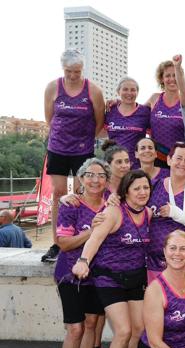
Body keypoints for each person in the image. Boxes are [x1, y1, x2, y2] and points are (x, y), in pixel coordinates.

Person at [71, 170, 152, 348]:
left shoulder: (148, 213)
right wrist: (84, 261)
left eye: (146, 188)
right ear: (126, 191)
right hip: (109, 280)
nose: (142, 192)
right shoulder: (114, 212)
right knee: (124, 331)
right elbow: (94, 239)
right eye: (136, 188)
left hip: (136, 279)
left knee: (138, 330)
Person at [54, 158, 111, 348]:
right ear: (80, 178)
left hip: (98, 275)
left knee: (90, 324)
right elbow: (63, 243)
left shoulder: (111, 204)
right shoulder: (71, 205)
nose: (95, 180)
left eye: (100, 175)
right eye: (89, 175)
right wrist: (91, 232)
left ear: (106, 180)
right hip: (70, 274)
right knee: (75, 329)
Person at [42, 49, 105, 263]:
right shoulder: (53, 87)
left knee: (81, 193)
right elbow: (49, 119)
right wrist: (63, 137)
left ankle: (79, 240)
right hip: (58, 148)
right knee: (59, 193)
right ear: (63, 69)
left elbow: (99, 121)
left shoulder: (93, 90)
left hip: (82, 149)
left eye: (76, 71)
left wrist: (82, 139)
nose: (72, 75)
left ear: (82, 70)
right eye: (69, 71)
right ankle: (57, 242)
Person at [146, 142, 185, 282]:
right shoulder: (152, 186)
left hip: (183, 264)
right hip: (152, 263)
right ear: (169, 160)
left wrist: (180, 216)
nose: (182, 163)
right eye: (178, 158)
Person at [104, 77, 150, 167]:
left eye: (133, 90)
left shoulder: (145, 112)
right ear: (118, 91)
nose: (129, 93)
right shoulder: (110, 110)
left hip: (136, 165)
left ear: (137, 92)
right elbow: (99, 132)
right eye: (125, 89)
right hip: (113, 164)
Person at [145, 60, 185, 167]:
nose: (172, 79)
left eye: (175, 75)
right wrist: (118, 103)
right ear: (161, 79)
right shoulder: (154, 99)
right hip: (156, 159)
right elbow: (134, 113)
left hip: (180, 161)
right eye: (168, 75)